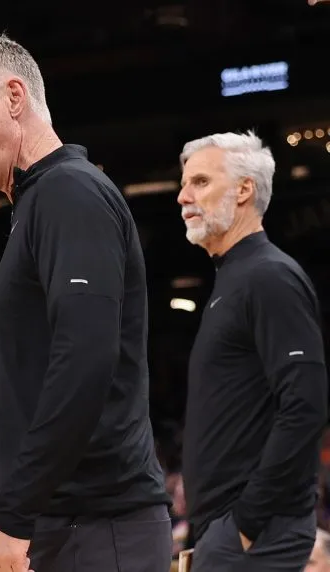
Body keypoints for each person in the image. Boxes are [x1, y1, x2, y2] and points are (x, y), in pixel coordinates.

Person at [0, 33, 171, 572]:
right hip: (76, 524)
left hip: (97, 524)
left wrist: (14, 516)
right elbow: (21, 301)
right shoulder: (45, 197)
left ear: (14, 97)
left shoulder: (68, 193)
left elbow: (85, 358)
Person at [178, 131, 326, 570]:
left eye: (200, 182)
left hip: (257, 535)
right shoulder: (234, 277)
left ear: (245, 189)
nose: (183, 196)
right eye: (185, 184)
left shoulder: (269, 276)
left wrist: (245, 523)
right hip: (232, 533)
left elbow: (305, 405)